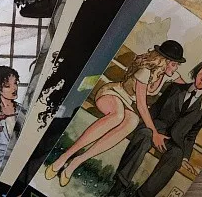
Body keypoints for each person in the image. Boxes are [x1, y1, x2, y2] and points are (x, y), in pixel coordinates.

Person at [45, 41, 186, 187]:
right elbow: (141, 105)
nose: (176, 68)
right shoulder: (145, 72)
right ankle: (64, 157)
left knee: (132, 121)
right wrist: (154, 133)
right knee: (118, 116)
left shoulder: (167, 74)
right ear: (163, 62)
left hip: (126, 104)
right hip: (112, 93)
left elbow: (188, 86)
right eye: (174, 64)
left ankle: (76, 162)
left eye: (177, 65)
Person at [107, 59, 202, 197]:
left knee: (176, 156)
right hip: (156, 129)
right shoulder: (175, 88)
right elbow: (155, 110)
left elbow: (191, 135)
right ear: (197, 72)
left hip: (174, 142)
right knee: (144, 135)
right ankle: (118, 186)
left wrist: (185, 158)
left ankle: (142, 195)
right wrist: (151, 130)